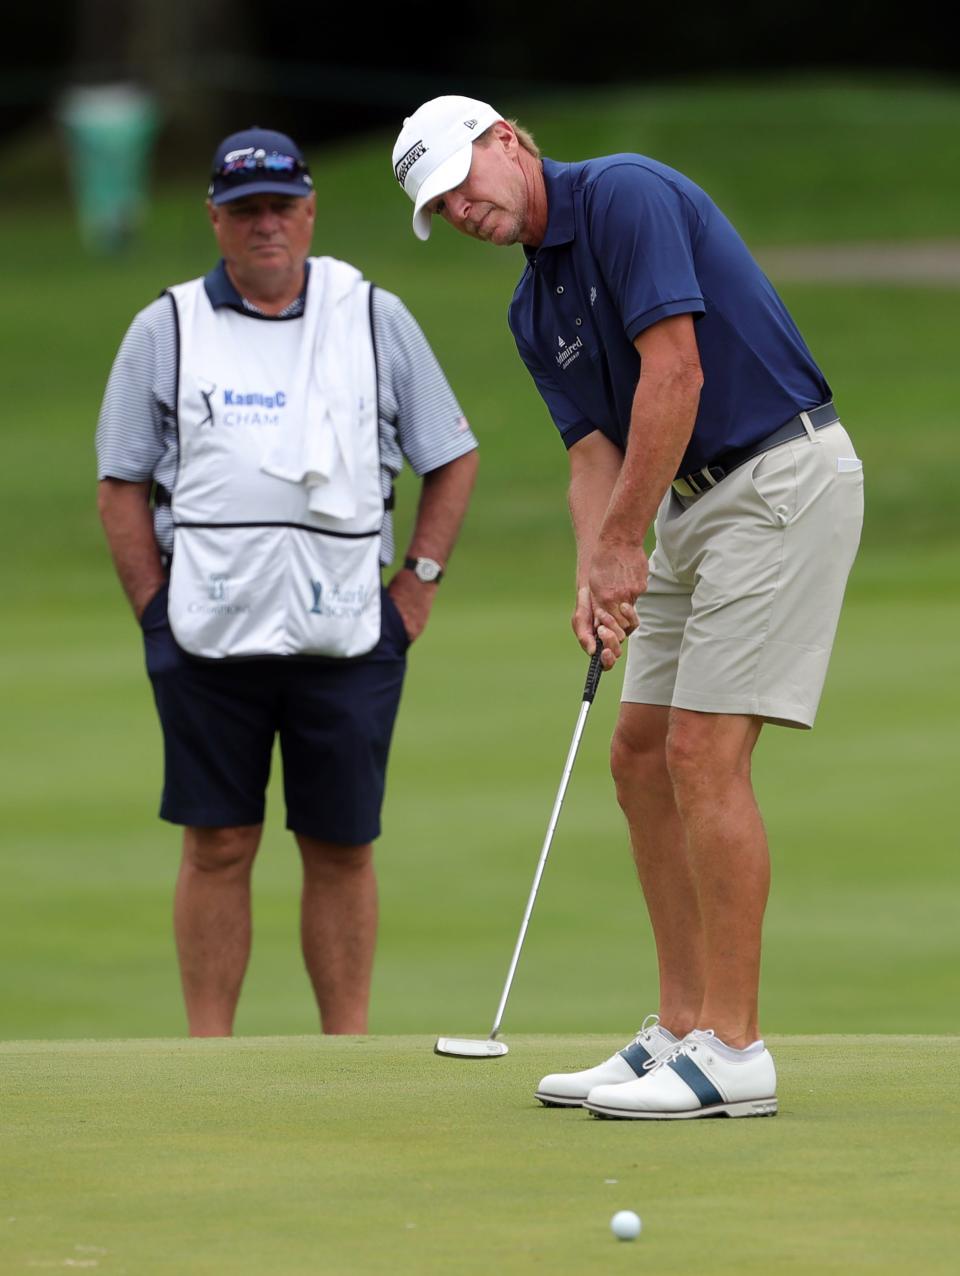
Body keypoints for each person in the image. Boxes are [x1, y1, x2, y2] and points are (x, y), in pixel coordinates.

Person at [392, 97, 862, 1119]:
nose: (464, 210)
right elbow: (590, 458)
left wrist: (622, 541)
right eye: (443, 207)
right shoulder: (531, 310)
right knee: (638, 754)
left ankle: (735, 1050)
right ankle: (680, 1028)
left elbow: (676, 370)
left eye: (464, 183)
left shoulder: (625, 197)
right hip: (688, 506)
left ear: (507, 139)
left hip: (778, 476)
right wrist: (591, 573)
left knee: (701, 752)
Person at [97, 126, 478, 1037]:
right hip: (206, 634)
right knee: (219, 843)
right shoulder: (167, 326)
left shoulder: (374, 315)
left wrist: (416, 584)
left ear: (309, 212)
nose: (265, 225)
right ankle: (208, 1053)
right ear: (216, 221)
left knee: (342, 846)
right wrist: (155, 613)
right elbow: (121, 482)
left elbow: (450, 455)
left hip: (347, 632)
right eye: (245, 210)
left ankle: (345, 1049)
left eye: (280, 207)